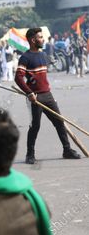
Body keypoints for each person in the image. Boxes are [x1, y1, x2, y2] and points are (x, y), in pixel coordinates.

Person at [15, 27, 81, 164]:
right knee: (35, 126)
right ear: (33, 40)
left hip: (48, 95)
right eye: (40, 37)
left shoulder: (43, 55)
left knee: (59, 122)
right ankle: (30, 154)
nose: (43, 39)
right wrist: (29, 93)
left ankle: (67, 150)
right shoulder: (25, 57)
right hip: (35, 97)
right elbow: (18, 78)